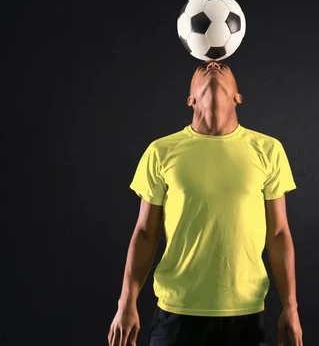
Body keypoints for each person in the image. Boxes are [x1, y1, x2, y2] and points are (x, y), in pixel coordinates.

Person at [107, 60, 303, 346]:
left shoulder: (268, 150)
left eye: (224, 66)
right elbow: (145, 233)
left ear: (238, 97)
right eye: (202, 67)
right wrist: (126, 303)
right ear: (191, 99)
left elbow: (279, 234)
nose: (212, 63)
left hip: (246, 315)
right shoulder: (161, 151)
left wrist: (290, 306)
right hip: (177, 313)